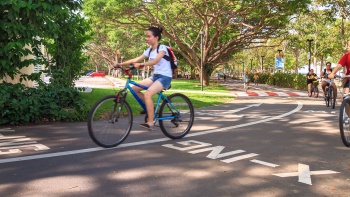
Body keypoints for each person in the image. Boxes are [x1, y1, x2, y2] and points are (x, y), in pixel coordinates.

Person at [113, 26, 172, 130]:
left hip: (165, 77)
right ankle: (151, 109)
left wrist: (141, 65)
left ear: (156, 37)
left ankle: (150, 122)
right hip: (155, 76)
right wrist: (120, 64)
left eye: (149, 36)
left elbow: (155, 61)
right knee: (135, 90)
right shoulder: (149, 50)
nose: (147, 38)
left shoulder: (162, 48)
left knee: (148, 94)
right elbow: (136, 59)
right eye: (146, 36)